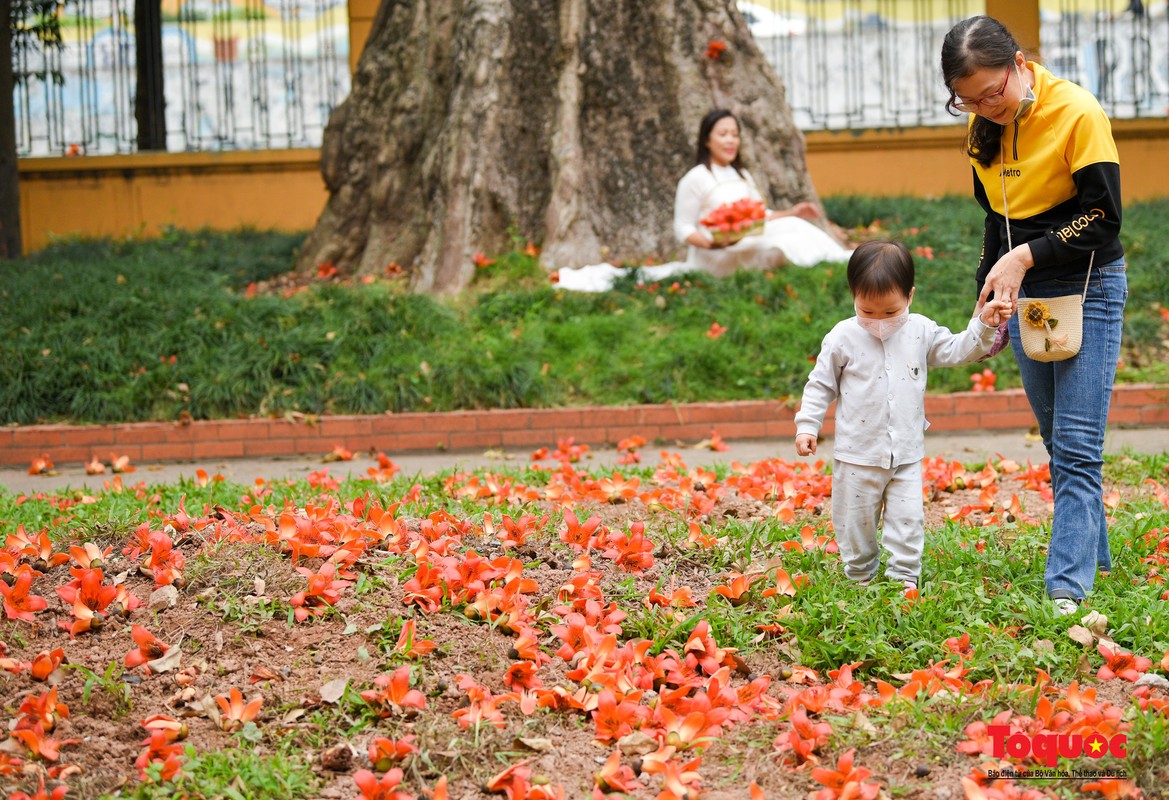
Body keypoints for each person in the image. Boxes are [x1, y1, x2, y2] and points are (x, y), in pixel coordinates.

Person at [940, 15, 1127, 616]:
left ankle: (1067, 589)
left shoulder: (1076, 111)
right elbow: (998, 220)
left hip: (1088, 284)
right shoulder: (981, 127)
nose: (983, 107)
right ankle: (1094, 557)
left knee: (1076, 444)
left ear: (1019, 64)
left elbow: (1103, 218)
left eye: (993, 91)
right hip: (1023, 291)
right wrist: (988, 292)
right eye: (966, 100)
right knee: (1056, 438)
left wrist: (1023, 258)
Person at [794, 241, 1012, 591]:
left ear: (909, 296)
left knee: (907, 520)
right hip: (856, 456)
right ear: (853, 296)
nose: (879, 322)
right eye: (868, 312)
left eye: (890, 312)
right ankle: (859, 574)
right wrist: (808, 425)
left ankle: (904, 577)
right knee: (855, 521)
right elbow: (820, 385)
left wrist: (984, 325)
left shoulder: (921, 331)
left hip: (906, 455)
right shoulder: (842, 338)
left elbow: (959, 350)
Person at [673, 109, 852, 276]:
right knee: (779, 245)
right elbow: (683, 227)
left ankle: (840, 259)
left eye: (735, 135)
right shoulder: (695, 178)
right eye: (723, 134)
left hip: (745, 242)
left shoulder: (741, 174)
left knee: (793, 224)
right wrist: (712, 244)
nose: (730, 141)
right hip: (716, 256)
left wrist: (793, 212)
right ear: (707, 140)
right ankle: (822, 266)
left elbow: (760, 215)